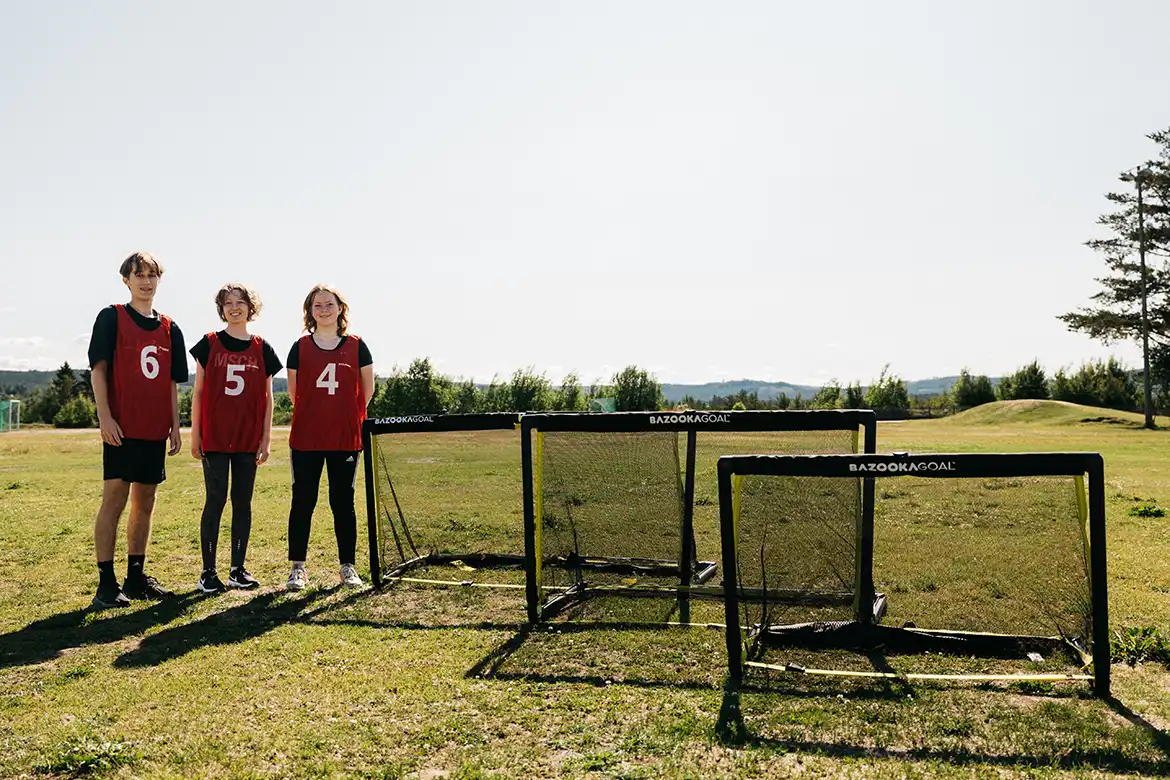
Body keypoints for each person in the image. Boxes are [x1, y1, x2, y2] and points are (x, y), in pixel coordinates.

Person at [87, 252, 187, 608]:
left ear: (159, 280)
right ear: (126, 280)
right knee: (114, 499)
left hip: (154, 429)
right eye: (138, 275)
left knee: (145, 502)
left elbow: (173, 383)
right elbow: (98, 369)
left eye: (151, 275)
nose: (145, 281)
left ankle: (136, 577)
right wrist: (105, 416)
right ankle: (105, 583)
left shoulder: (170, 327)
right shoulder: (112, 317)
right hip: (121, 427)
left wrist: (175, 426)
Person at [189, 283, 282, 593]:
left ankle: (237, 569)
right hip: (216, 437)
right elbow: (199, 392)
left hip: (247, 437)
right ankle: (208, 573)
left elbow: (268, 398)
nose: (234, 307)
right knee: (215, 499)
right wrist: (195, 435)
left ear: (250, 307)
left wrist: (266, 438)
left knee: (242, 502)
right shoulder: (209, 344)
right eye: (228, 303)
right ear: (222, 308)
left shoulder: (262, 348)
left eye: (240, 302)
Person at [285, 284, 375, 590]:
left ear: (340, 309)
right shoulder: (300, 347)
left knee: (343, 502)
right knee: (303, 501)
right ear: (310, 311)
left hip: (345, 438)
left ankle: (347, 566)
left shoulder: (357, 345)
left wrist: (345, 415)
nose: (324, 310)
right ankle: (298, 568)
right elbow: (295, 394)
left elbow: (367, 390)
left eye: (329, 304)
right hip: (307, 438)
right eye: (317, 305)